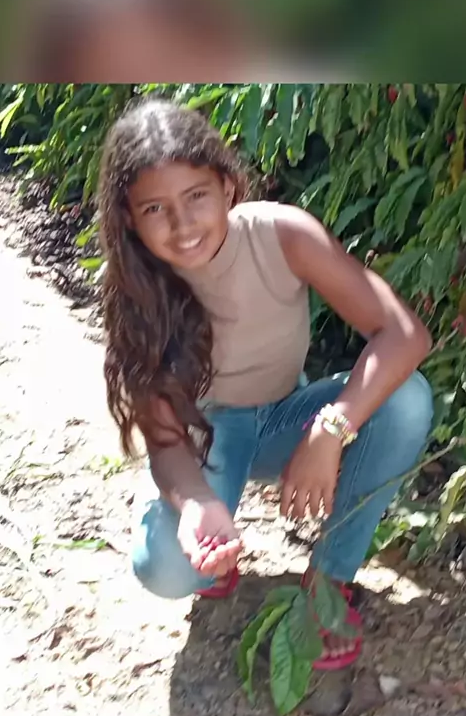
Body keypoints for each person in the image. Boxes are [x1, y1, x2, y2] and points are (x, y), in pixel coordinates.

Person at [98, 96, 433, 671]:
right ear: (129, 217)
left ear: (227, 186)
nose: (182, 224)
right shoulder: (133, 288)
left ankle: (329, 581)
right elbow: (165, 438)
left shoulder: (282, 235)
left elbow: (404, 334)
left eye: (196, 196)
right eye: (155, 208)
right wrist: (198, 504)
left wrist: (330, 430)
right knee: (169, 571)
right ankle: (175, 513)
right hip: (206, 437)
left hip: (286, 416)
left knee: (407, 399)